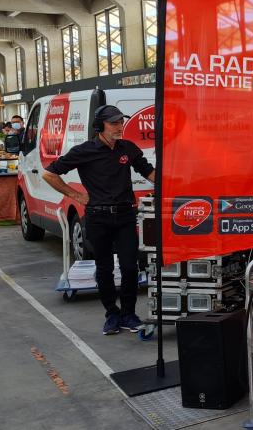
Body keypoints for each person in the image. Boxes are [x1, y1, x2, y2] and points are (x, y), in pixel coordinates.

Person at [42, 105, 155, 335]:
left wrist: (176, 181)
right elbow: (49, 174)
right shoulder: (84, 151)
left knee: (130, 267)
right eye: (113, 123)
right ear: (99, 126)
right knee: (103, 269)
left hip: (125, 216)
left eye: (120, 122)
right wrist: (75, 195)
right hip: (97, 217)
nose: (119, 126)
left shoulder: (128, 148)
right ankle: (111, 314)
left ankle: (129, 315)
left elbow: (149, 172)